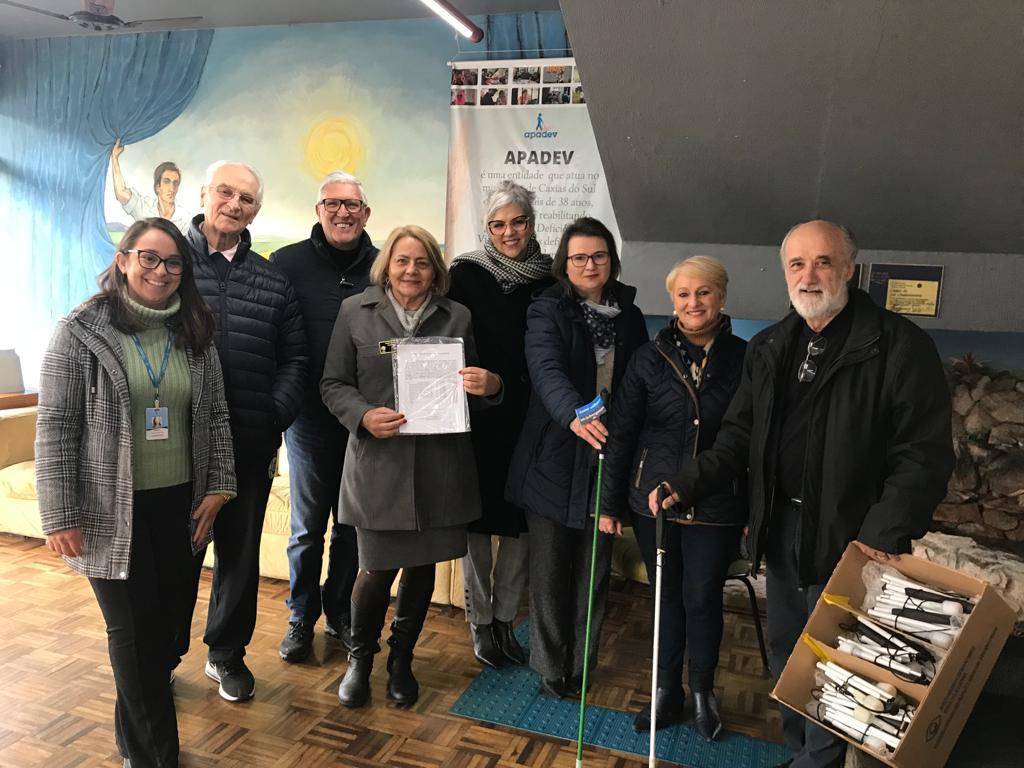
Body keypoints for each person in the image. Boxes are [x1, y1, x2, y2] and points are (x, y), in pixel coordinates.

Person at [651, 221, 954, 768]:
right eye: (797, 264)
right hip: (782, 531)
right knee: (791, 657)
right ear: (785, 272)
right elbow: (738, 436)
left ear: (849, 270)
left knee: (843, 665)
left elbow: (923, 455)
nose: (809, 275)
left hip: (853, 539)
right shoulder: (770, 346)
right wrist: (686, 482)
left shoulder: (899, 346)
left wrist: (881, 533)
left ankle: (819, 763)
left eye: (823, 262)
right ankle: (801, 754)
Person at [36, 217, 235, 767]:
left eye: (173, 263)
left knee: (165, 630)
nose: (161, 271)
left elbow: (216, 414)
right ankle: (154, 757)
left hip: (180, 504)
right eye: (148, 257)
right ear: (123, 260)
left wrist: (219, 485)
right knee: (135, 634)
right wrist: (59, 513)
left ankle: (132, 741)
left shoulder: (196, 329)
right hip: (109, 506)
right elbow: (56, 425)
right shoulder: (80, 330)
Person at [321, 225, 502, 709]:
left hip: (441, 469)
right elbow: (333, 384)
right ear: (387, 266)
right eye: (402, 261)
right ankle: (360, 658)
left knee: (422, 570)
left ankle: (402, 660)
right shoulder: (354, 312)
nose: (411, 271)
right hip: (378, 467)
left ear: (435, 270)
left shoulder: (457, 316)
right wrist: (362, 415)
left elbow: (470, 391)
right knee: (374, 570)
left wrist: (489, 386)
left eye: (422, 262)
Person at [601, 256, 747, 740]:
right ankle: (666, 690)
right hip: (654, 502)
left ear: (721, 296)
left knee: (702, 598)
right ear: (672, 300)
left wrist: (754, 510)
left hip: (718, 503)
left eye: (703, 292)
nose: (694, 303)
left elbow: (754, 441)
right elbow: (622, 433)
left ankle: (703, 691)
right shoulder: (648, 357)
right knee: (666, 598)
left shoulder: (746, 358)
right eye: (684, 294)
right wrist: (609, 504)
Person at [506, 216, 648, 698]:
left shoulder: (629, 316)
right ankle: (550, 668)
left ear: (612, 261)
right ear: (564, 264)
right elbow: (546, 371)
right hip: (554, 457)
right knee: (549, 575)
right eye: (579, 257)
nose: (590, 265)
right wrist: (575, 416)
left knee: (594, 573)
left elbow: (638, 385)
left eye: (599, 256)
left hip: (608, 459)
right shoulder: (546, 309)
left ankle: (580, 665)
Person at [183, 161, 308, 702]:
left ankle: (226, 654)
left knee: (239, 557)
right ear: (204, 194)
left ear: (257, 210)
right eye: (226, 192)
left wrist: (272, 415)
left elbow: (296, 359)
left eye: (247, 199)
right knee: (176, 556)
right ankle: (163, 653)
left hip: (249, 445)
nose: (235, 204)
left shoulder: (272, 278)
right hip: (177, 447)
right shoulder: (168, 264)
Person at [269, 172, 376, 661]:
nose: (343, 212)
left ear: (366, 214)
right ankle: (300, 616)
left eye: (352, 205)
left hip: (363, 421)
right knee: (307, 528)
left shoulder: (382, 267)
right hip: (308, 421)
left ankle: (340, 612)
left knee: (351, 525)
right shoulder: (286, 263)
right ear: (318, 210)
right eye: (333, 203)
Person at [448, 181, 554, 669]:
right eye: (498, 224)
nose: (509, 232)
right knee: (476, 523)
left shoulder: (551, 278)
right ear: (486, 229)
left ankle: (506, 619)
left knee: (518, 526)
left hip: (530, 418)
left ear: (531, 224)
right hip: (474, 421)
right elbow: (444, 337)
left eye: (518, 222)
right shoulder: (465, 273)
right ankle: (480, 620)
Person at [110, 139, 190, 232]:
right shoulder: (145, 208)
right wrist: (115, 158)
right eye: (166, 182)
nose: (172, 188)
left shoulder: (184, 218)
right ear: (157, 187)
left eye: (175, 183)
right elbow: (121, 193)